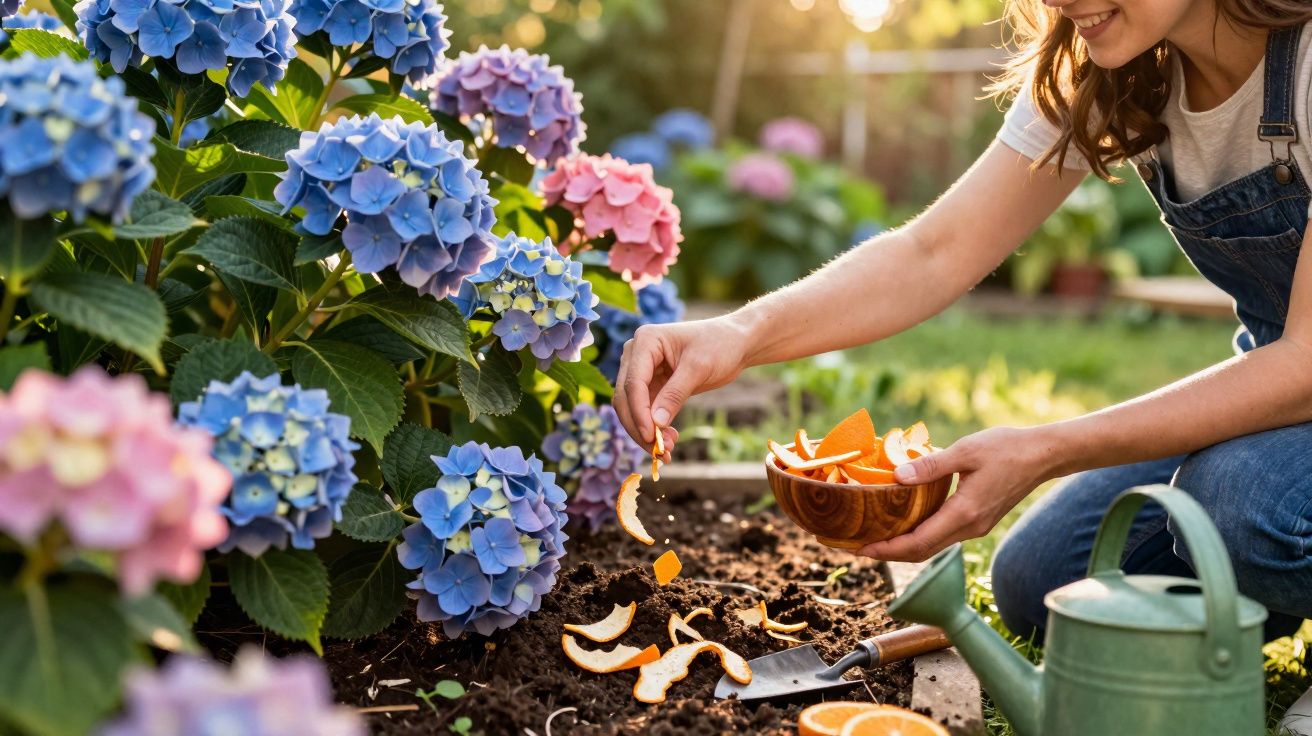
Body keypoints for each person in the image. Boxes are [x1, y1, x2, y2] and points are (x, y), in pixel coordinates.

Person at [614, 0, 1312, 650]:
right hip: (1276, 415)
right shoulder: (1118, 70)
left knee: (1239, 505)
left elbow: (1306, 361)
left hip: (1292, 392)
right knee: (1045, 580)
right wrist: (740, 333)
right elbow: (933, 252)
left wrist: (1046, 448)